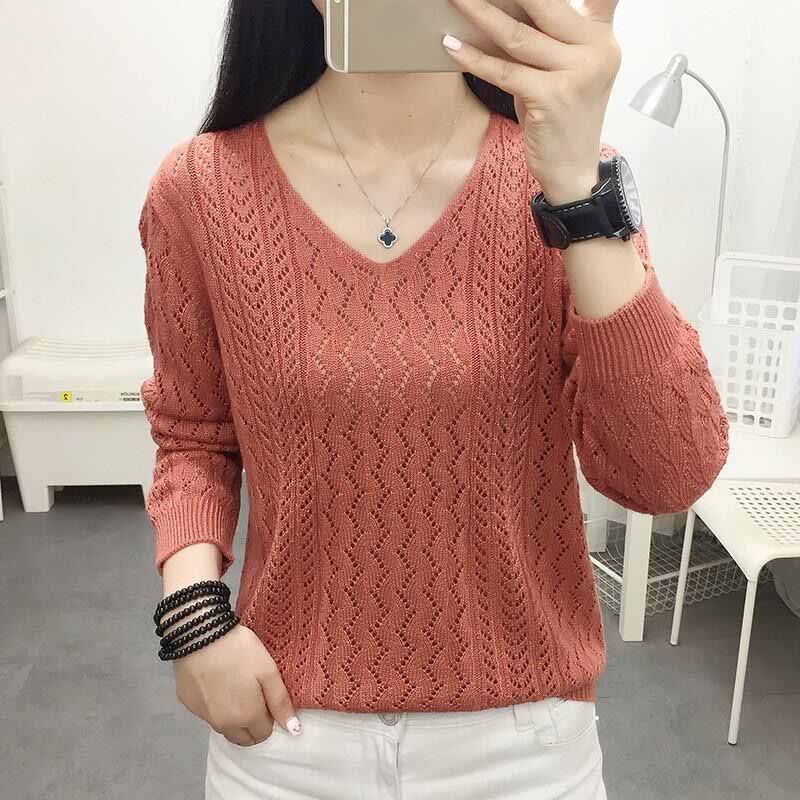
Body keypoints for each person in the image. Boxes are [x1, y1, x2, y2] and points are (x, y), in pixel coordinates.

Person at [138, 1, 730, 797]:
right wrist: (194, 621)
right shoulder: (202, 188)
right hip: (285, 732)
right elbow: (193, 437)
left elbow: (666, 473)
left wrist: (577, 189)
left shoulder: (568, 183)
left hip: (524, 744)